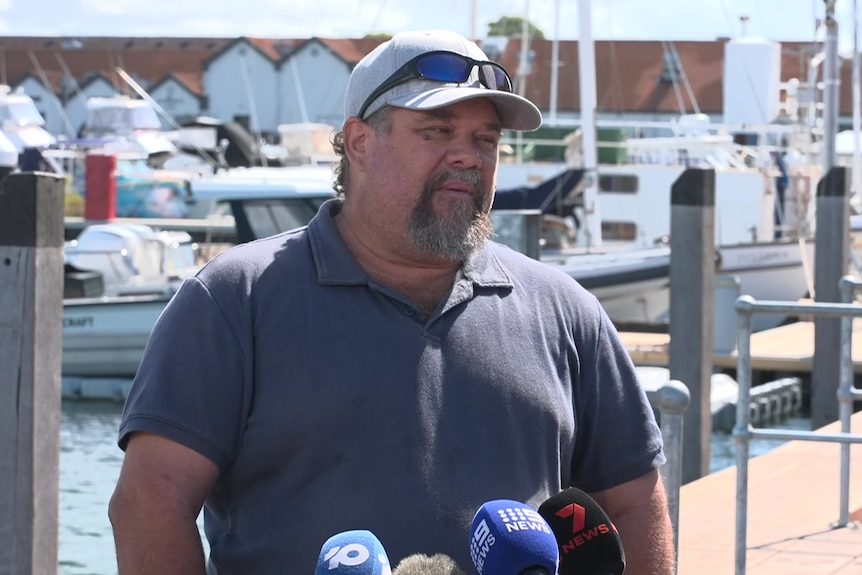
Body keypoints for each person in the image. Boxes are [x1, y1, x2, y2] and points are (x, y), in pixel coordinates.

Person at [109, 29, 675, 574]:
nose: (469, 157)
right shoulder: (233, 300)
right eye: (436, 131)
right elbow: (149, 503)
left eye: (486, 139)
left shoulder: (567, 313)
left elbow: (632, 504)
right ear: (358, 142)